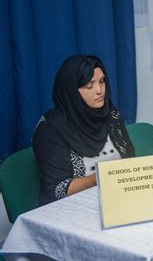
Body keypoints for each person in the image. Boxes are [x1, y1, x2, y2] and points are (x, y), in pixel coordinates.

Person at [32, 55, 135, 205]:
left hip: (116, 199)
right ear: (71, 90)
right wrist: (102, 176)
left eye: (102, 81)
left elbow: (130, 159)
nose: (100, 90)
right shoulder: (50, 128)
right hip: (71, 207)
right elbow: (58, 190)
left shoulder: (111, 114)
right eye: (89, 85)